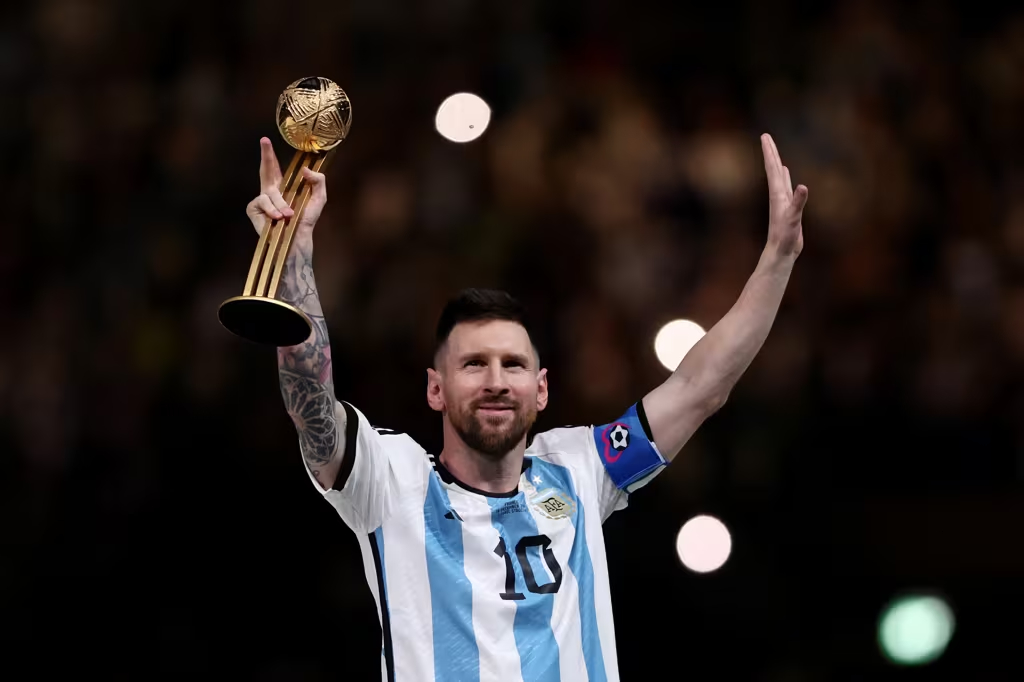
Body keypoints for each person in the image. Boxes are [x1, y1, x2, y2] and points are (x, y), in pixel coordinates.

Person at [245, 133, 808, 681]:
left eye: (513, 365)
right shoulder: (390, 481)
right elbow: (310, 397)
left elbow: (699, 386)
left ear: (541, 389)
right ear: (434, 389)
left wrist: (777, 260)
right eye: (473, 365)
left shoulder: (583, 469)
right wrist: (293, 260)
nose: (495, 381)